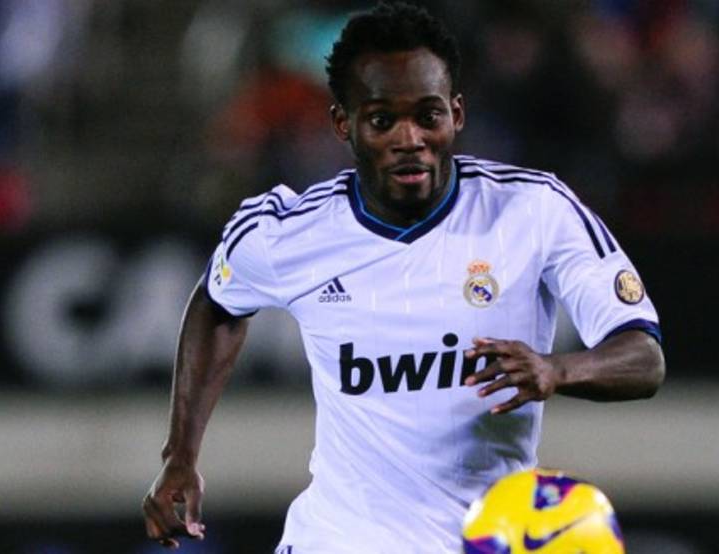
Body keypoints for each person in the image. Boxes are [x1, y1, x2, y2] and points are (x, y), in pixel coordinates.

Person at [142, 2, 665, 552]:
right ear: (343, 124)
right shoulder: (289, 233)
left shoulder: (534, 211)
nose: (409, 138)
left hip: (475, 539)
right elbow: (218, 303)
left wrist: (557, 370)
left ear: (456, 115)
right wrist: (180, 455)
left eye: (428, 116)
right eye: (382, 120)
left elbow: (643, 357)